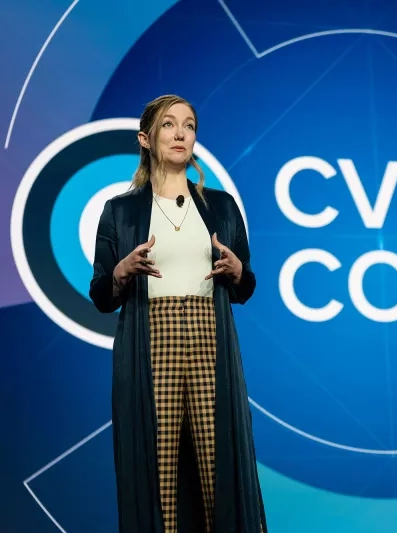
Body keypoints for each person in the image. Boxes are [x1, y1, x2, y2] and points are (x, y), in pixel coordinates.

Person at [90, 94, 268, 533]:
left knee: (217, 466)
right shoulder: (120, 210)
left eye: (189, 125)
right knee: (160, 473)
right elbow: (101, 294)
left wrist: (238, 270)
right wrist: (121, 272)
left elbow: (246, 288)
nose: (181, 133)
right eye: (169, 124)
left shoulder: (222, 207)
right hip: (154, 343)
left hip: (210, 342)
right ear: (146, 138)